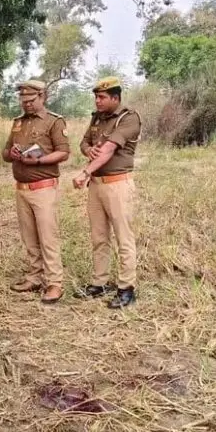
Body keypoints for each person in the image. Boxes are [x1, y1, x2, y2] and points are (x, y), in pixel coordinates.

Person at [72, 76, 141, 309]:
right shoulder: (97, 118)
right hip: (97, 185)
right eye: (96, 97)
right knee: (99, 237)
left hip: (117, 185)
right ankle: (99, 282)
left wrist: (85, 171)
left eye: (102, 97)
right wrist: (88, 150)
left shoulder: (128, 118)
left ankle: (126, 288)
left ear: (115, 97)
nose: (97, 101)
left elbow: (109, 148)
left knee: (124, 237)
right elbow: (83, 143)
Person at [1, 79, 70, 304]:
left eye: (31, 100)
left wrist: (39, 161)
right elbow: (4, 152)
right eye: (23, 100)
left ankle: (54, 283)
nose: (27, 104)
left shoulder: (54, 121)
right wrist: (11, 153)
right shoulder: (18, 123)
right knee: (29, 237)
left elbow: (63, 152)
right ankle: (34, 276)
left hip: (44, 187)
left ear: (43, 97)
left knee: (48, 237)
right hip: (21, 188)